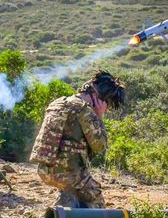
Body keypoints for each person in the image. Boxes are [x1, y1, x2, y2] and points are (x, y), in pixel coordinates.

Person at [30, 71, 125, 208]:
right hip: (71, 176)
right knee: (97, 206)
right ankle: (69, 206)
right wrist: (99, 116)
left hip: (45, 171)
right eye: (107, 103)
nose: (107, 107)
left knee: (76, 195)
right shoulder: (84, 110)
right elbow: (100, 146)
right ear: (100, 98)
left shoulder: (57, 103)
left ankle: (68, 198)